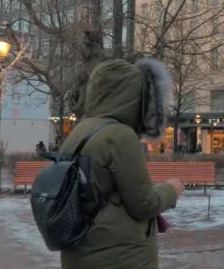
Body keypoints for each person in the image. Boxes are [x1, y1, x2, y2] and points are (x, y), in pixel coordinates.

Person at [58, 59, 185, 269]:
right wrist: (171, 189)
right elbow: (143, 204)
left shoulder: (80, 131)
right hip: (119, 255)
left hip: (79, 249)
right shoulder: (120, 135)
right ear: (133, 97)